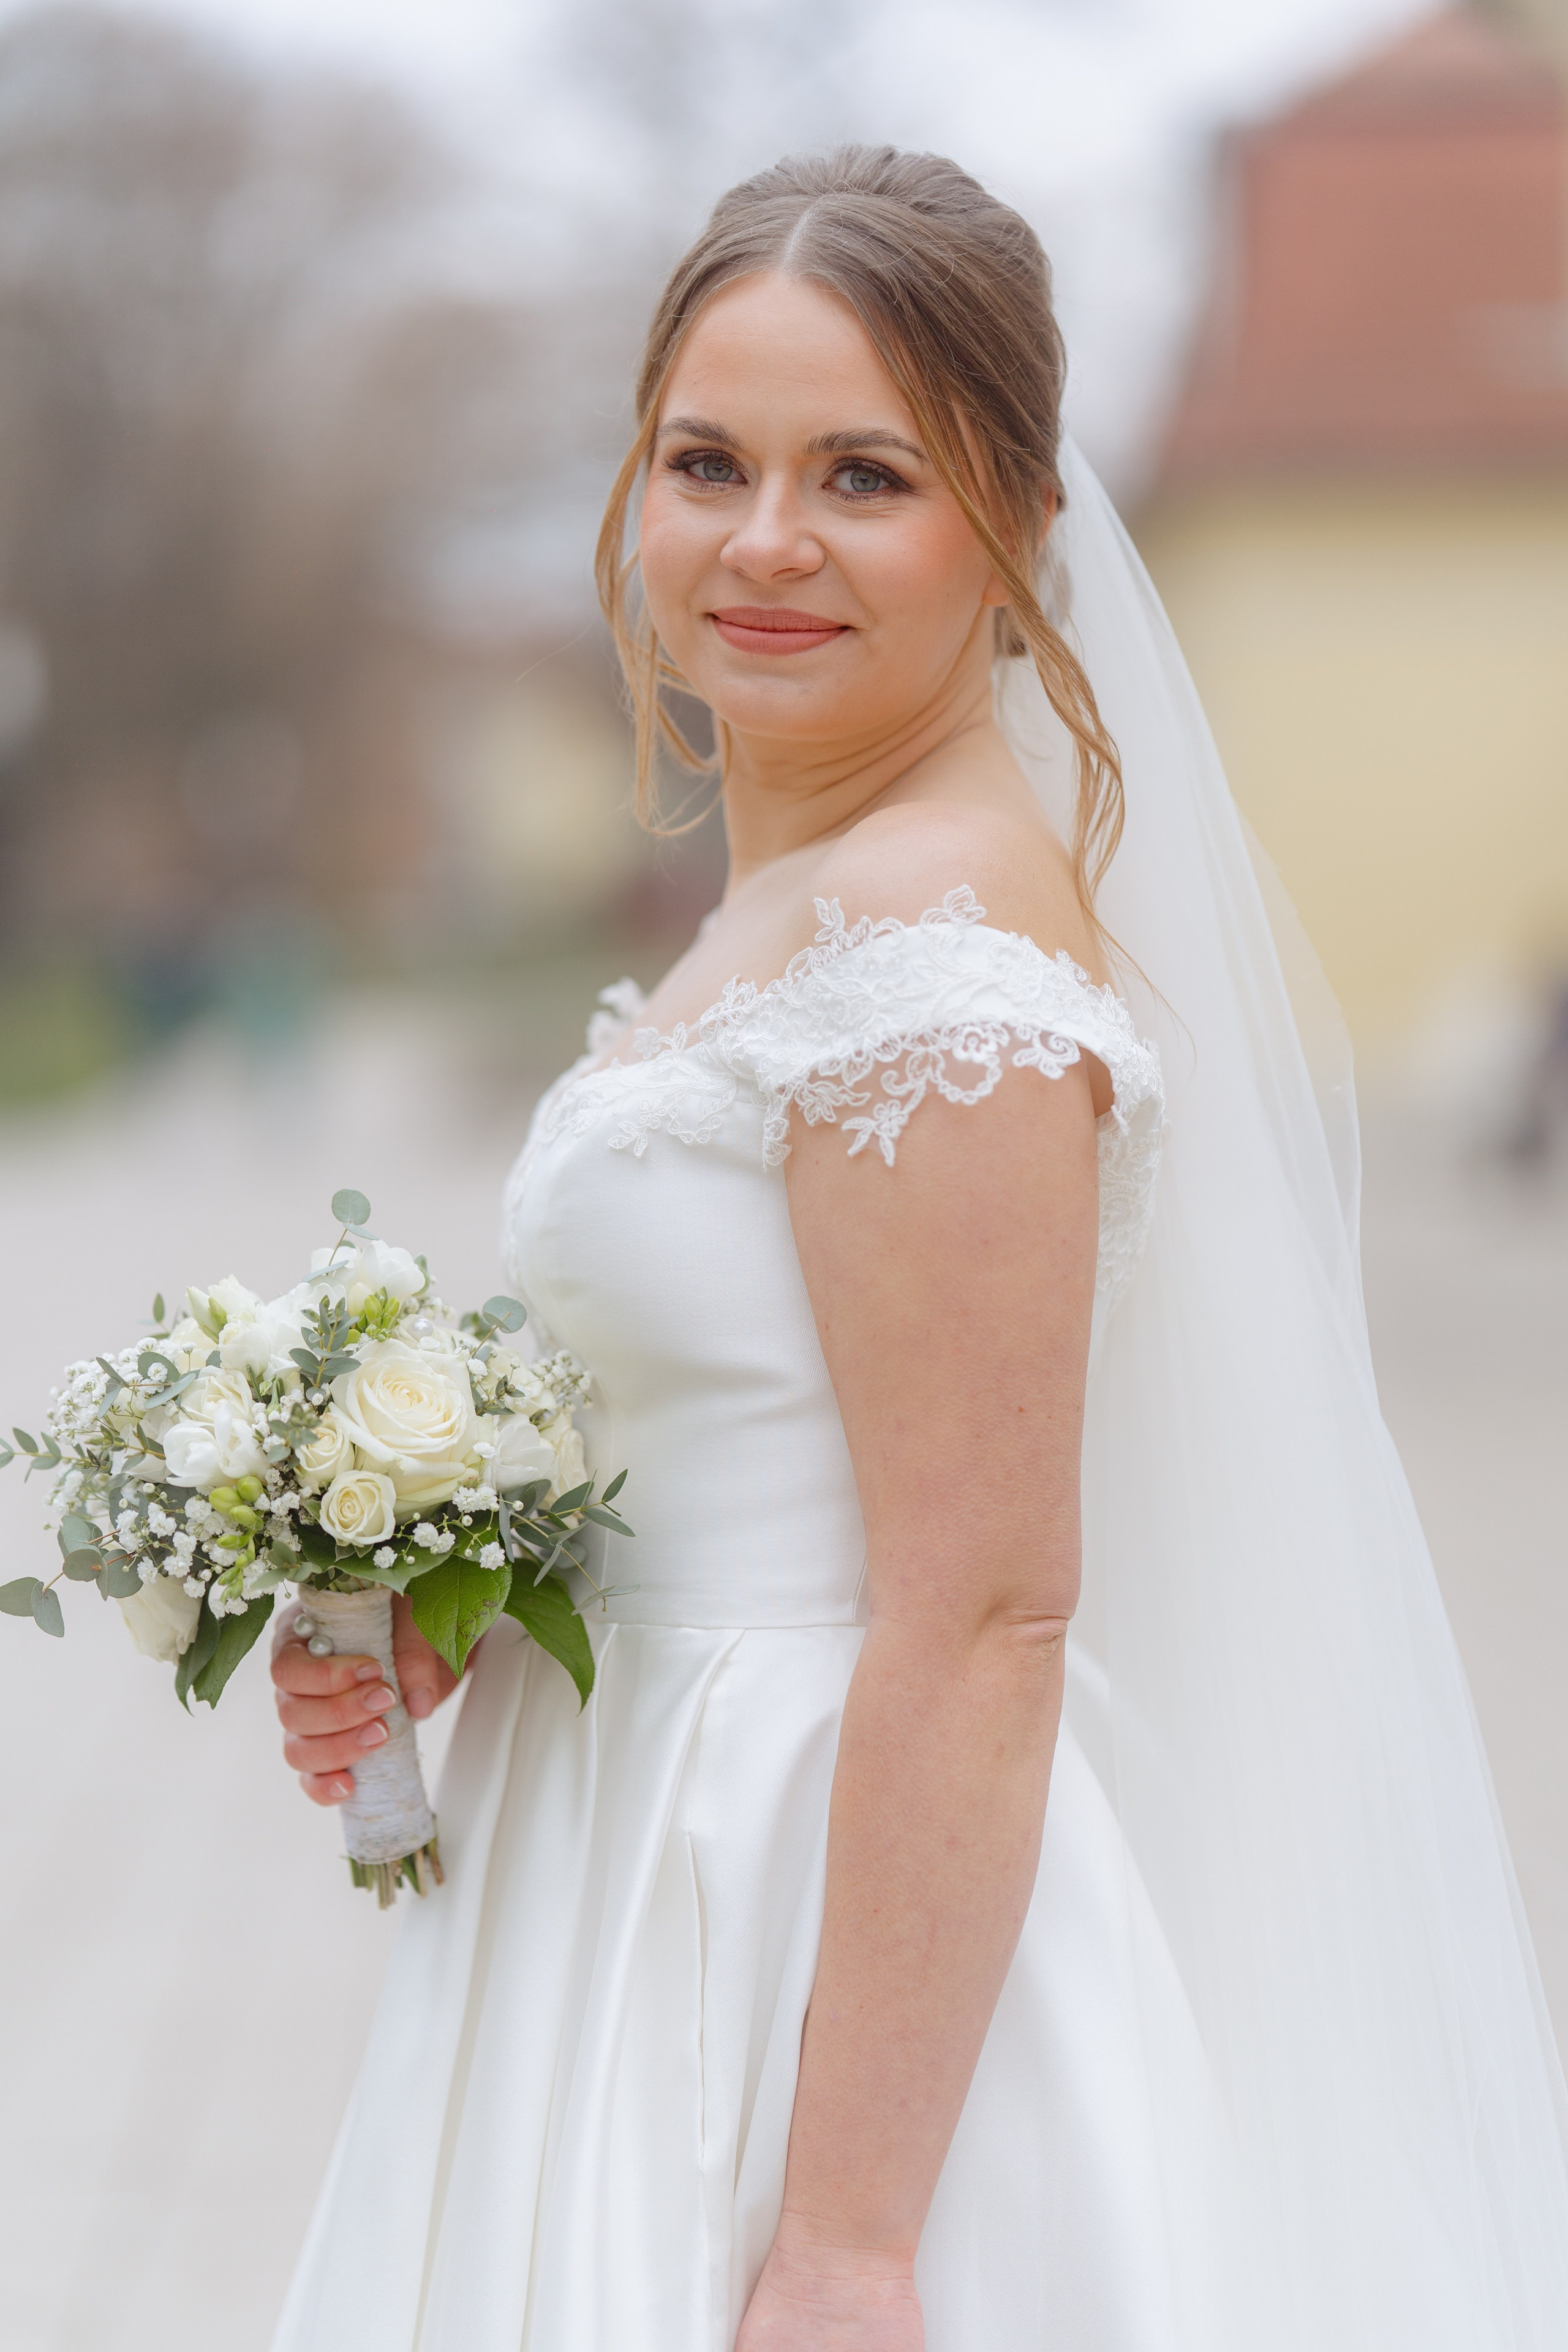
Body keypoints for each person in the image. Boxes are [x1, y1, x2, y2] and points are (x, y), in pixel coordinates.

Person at [268, 149, 1568, 2351]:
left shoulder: (931, 933)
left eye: (862, 476)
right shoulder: (796, 902)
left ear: (1019, 525)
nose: (764, 539)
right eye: (709, 462)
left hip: (792, 1910)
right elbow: (743, 1420)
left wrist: (853, 2242)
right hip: (615, 1849)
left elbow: (982, 1612)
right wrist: (455, 1607)